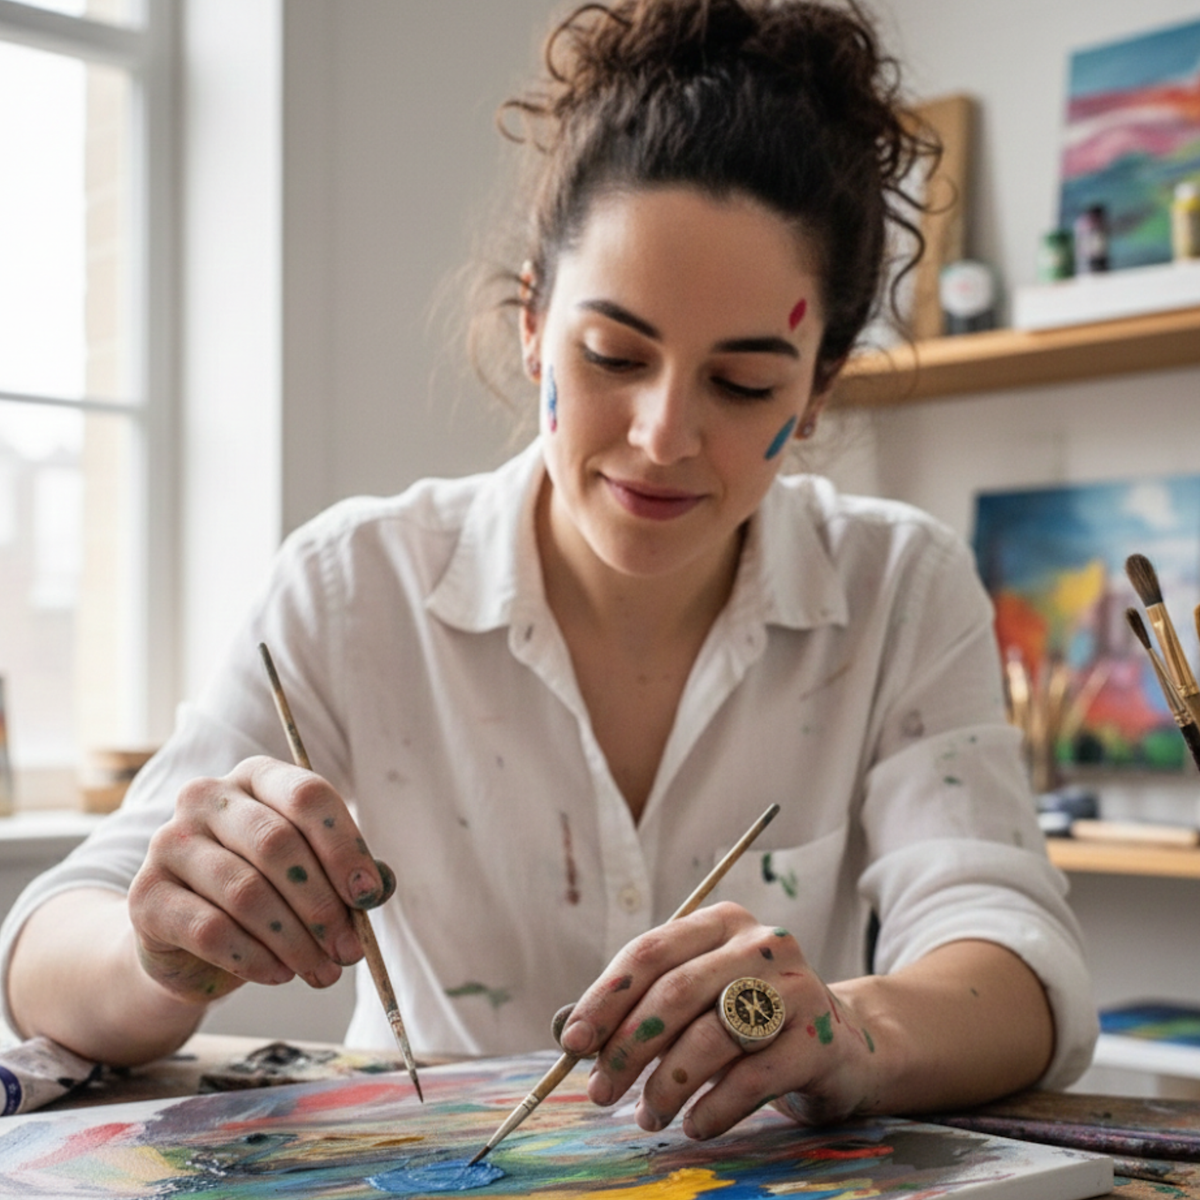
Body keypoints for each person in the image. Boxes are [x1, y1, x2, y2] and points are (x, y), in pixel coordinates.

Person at [1, 0, 1096, 1141]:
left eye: (745, 385)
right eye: (613, 354)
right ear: (532, 322)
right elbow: (44, 948)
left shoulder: (898, 586)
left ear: (818, 389)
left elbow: (1015, 957)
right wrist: (160, 947)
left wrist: (853, 1030)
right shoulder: (353, 585)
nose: (664, 434)